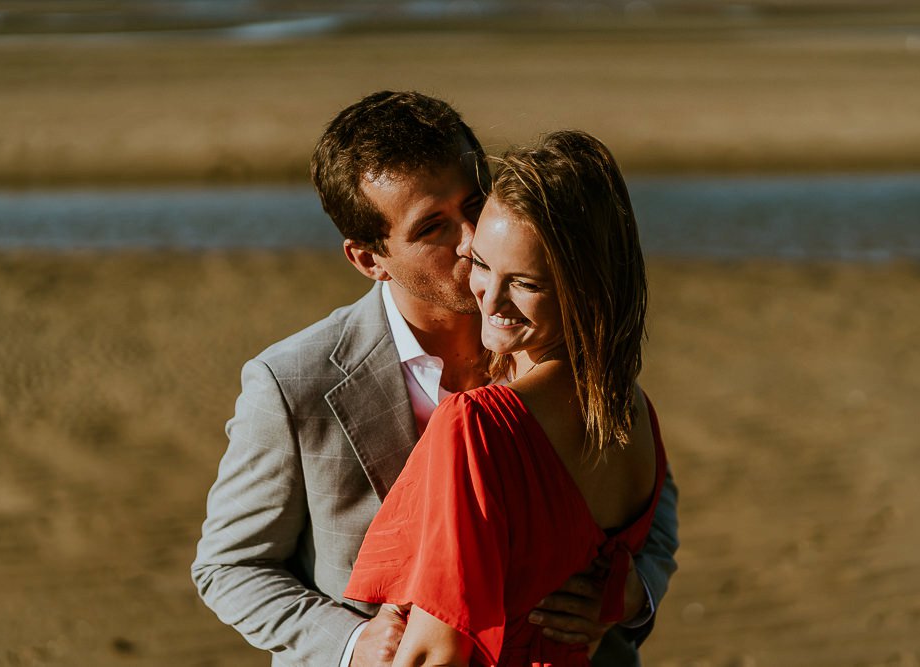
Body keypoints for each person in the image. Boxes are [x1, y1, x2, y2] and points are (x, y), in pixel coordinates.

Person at [192, 92, 679, 667]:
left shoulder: (551, 327)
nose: (473, 238)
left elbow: (652, 506)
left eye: (474, 202)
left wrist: (631, 594)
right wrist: (351, 642)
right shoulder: (292, 382)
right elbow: (229, 567)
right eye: (433, 228)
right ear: (368, 259)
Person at [344, 129, 669, 666]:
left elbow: (436, 655)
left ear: (584, 288)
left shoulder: (477, 424)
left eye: (526, 283)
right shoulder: (634, 410)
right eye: (482, 265)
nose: (489, 300)